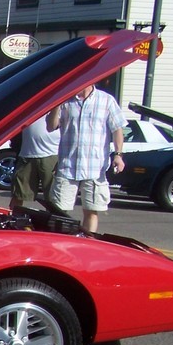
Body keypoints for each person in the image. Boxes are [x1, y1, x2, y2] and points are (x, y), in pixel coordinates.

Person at [46, 84, 126, 233]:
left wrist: (118, 155)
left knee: (91, 210)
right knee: (58, 211)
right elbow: (51, 126)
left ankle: (87, 245)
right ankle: (59, 247)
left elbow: (117, 129)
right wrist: (56, 104)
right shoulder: (65, 101)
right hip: (67, 166)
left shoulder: (106, 100)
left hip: (95, 167)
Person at [10, 115, 60, 210]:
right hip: (27, 155)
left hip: (52, 154)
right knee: (18, 194)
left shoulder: (62, 104)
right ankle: (12, 221)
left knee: (54, 198)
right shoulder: (32, 103)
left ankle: (53, 224)